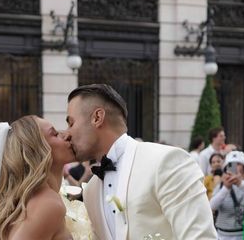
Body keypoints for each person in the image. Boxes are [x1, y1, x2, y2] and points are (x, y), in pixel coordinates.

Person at [65, 83, 217, 239]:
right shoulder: (91, 190)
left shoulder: (166, 161)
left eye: (71, 123)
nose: (67, 134)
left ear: (97, 117)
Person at [210, 151, 244, 239]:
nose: (234, 167)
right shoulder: (221, 186)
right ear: (226, 167)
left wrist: (240, 184)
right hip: (223, 234)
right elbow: (212, 206)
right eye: (231, 164)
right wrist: (226, 188)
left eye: (238, 164)